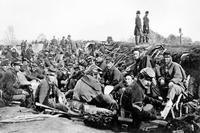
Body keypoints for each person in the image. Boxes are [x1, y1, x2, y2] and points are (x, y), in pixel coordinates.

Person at [156, 51, 187, 119]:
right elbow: (161, 75)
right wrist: (161, 79)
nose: (165, 59)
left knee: (172, 87)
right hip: (167, 86)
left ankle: (166, 108)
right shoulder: (163, 67)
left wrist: (172, 81)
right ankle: (158, 104)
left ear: (171, 58)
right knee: (157, 86)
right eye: (164, 58)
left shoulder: (175, 65)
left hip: (178, 86)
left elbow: (179, 77)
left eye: (167, 58)